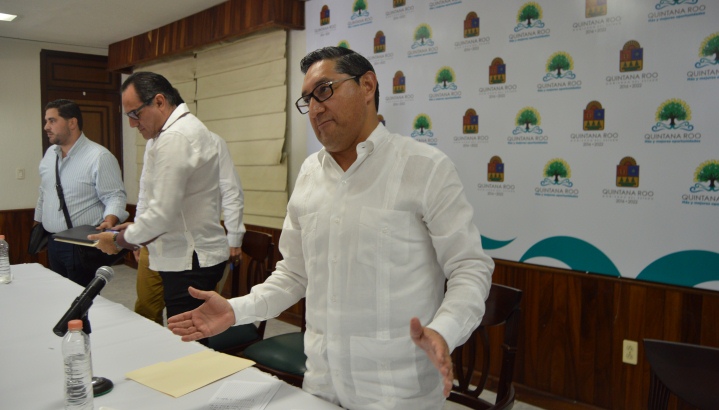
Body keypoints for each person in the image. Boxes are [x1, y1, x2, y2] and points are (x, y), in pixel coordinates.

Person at [167, 47, 494, 409]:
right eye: (307, 99)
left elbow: (470, 268)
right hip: (321, 384)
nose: (315, 108)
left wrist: (445, 330)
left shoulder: (425, 168)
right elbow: (294, 274)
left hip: (398, 393)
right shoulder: (310, 174)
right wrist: (236, 310)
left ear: (367, 86)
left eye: (324, 90)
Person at [90, 72, 229, 332]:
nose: (132, 123)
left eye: (135, 114)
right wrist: (137, 229)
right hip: (185, 253)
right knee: (184, 333)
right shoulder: (168, 134)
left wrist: (120, 241)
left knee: (187, 340)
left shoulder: (176, 137)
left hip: (190, 259)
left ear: (159, 102)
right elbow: (161, 199)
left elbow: (163, 214)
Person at [134, 131, 245, 325]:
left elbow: (231, 191)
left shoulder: (211, 142)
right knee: (146, 310)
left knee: (190, 318)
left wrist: (234, 237)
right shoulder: (152, 143)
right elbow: (145, 191)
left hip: (193, 250)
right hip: (154, 244)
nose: (134, 124)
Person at [35, 99, 128, 287]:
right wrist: (38, 225)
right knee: (58, 294)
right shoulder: (50, 154)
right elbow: (44, 192)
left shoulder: (99, 156)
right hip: (53, 242)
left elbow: (114, 196)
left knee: (81, 299)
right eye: (46, 121)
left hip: (82, 246)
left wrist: (110, 220)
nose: (46, 127)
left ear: (72, 122)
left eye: (52, 121)